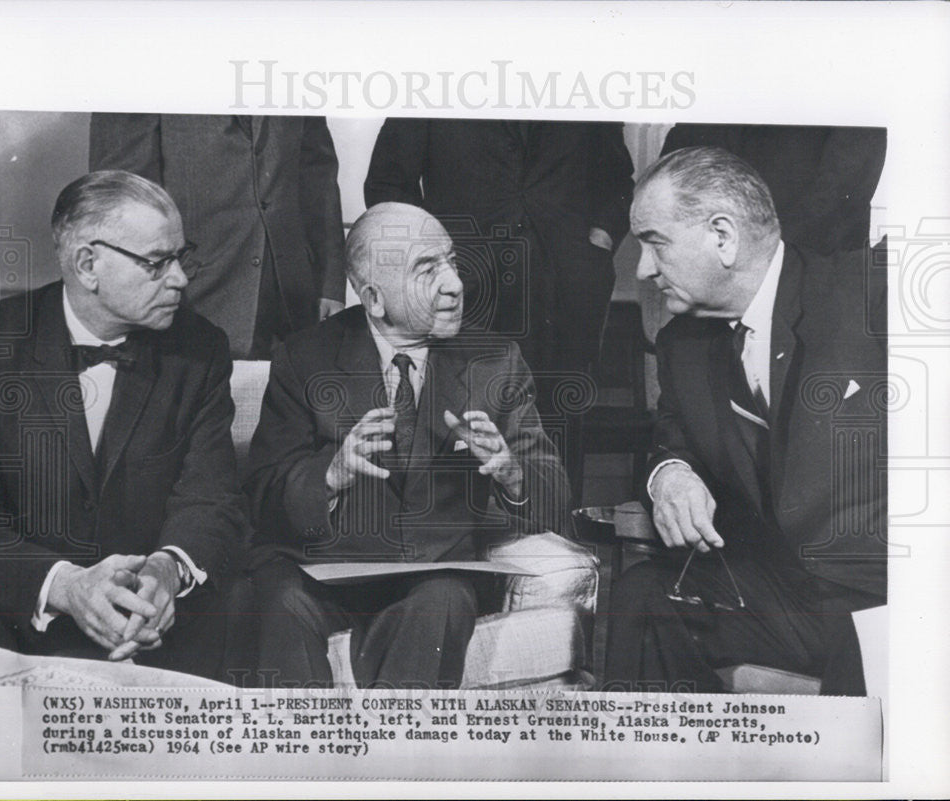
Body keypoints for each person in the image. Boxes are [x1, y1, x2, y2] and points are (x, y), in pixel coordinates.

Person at [244, 202, 571, 689]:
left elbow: (556, 498)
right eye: (427, 269)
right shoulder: (305, 359)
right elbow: (261, 496)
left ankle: (396, 758)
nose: (455, 285)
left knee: (443, 599)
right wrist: (330, 475)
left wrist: (510, 472)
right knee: (274, 599)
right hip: (321, 573)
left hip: (435, 579)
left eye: (452, 262)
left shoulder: (496, 361)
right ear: (374, 298)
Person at [603, 147, 886, 694]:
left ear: (723, 236)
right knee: (644, 596)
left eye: (653, 242)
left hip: (894, 596)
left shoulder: (871, 293)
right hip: (789, 594)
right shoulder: (682, 345)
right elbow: (672, 439)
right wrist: (673, 476)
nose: (642, 269)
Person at [0, 170, 249, 681]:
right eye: (156, 263)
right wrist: (63, 586)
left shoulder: (201, 349)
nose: (181, 279)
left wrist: (167, 571)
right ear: (87, 264)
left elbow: (211, 499)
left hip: (156, 631)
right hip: (15, 626)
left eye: (180, 256)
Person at [363, 119, 635, 394]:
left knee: (555, 424)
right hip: (461, 286)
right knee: (455, 416)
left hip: (562, 291)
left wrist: (600, 240)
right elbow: (388, 183)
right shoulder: (432, 79)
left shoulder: (583, 80)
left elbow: (617, 183)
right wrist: (429, 261)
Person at [90, 114, 347, 359]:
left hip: (292, 305)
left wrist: (330, 284)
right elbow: (121, 198)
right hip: (186, 300)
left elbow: (318, 176)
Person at [660, 124, 886, 255]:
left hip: (808, 260)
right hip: (714, 260)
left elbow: (843, 185)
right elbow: (681, 154)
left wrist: (761, 249)